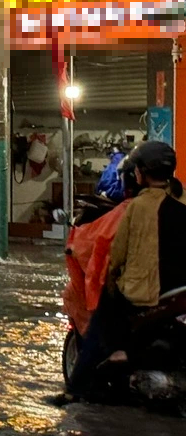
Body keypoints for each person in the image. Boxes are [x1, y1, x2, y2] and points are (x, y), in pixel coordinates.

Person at [67, 140, 186, 397]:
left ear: (139, 173)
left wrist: (111, 278)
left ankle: (74, 391)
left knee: (102, 319)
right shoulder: (183, 200)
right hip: (179, 292)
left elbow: (117, 254)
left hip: (144, 295)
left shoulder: (137, 207)